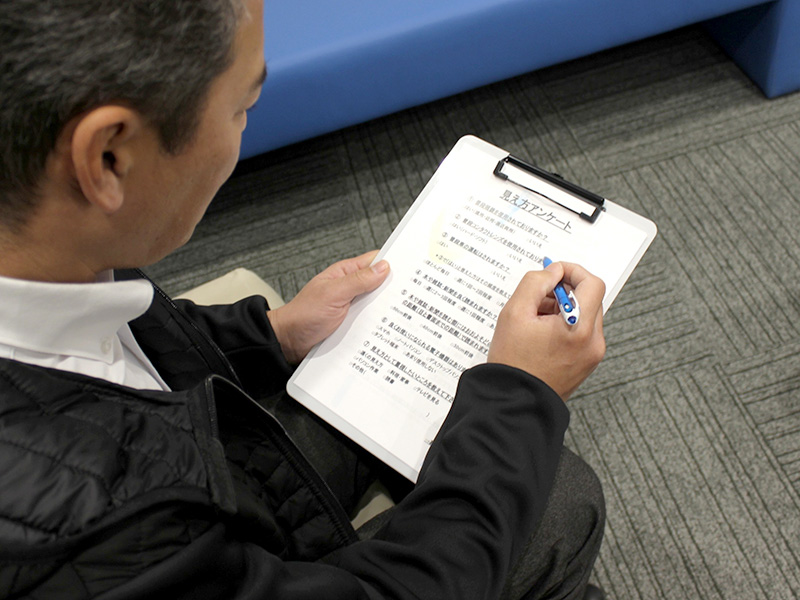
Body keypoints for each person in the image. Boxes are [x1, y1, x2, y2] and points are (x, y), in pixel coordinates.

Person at [0, 0, 608, 598]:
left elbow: (134, 340)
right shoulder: (96, 532)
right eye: (243, 107)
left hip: (201, 474)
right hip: (192, 533)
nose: (245, 128)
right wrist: (520, 394)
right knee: (562, 503)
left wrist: (273, 332)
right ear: (108, 157)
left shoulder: (50, 255)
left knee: (380, 404)